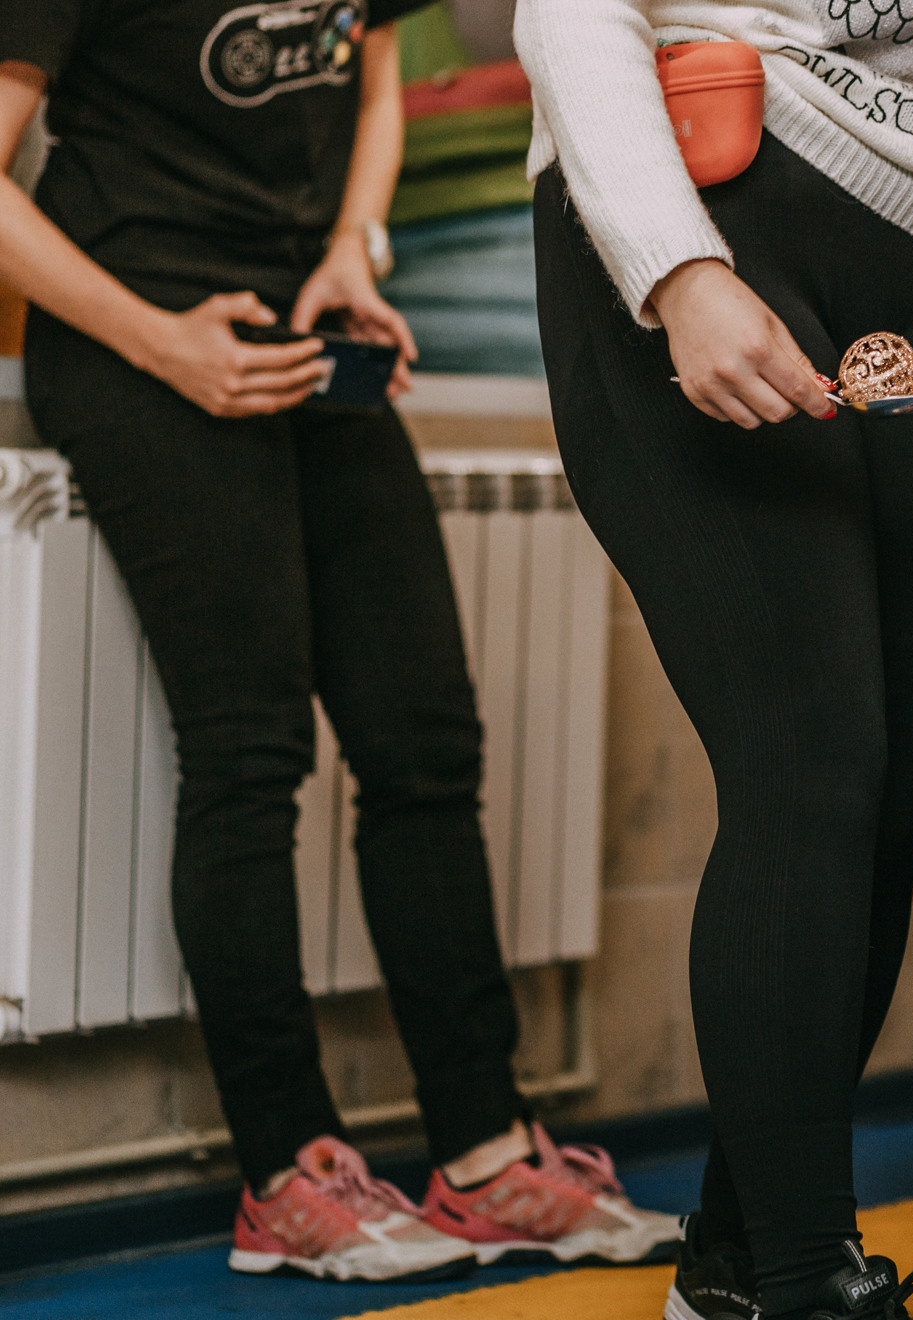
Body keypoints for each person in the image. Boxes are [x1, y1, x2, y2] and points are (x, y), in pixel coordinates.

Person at [0, 0, 677, 1283]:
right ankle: (288, 1173)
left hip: (303, 334)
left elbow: (371, 81)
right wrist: (160, 342)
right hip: (135, 342)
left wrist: (356, 248)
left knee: (426, 743)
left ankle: (486, 1155)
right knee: (249, 752)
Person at [515, 0, 913, 1317]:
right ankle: (808, 1276)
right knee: (809, 755)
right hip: (724, 183)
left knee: (894, 783)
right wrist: (673, 265)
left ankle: (739, 1258)